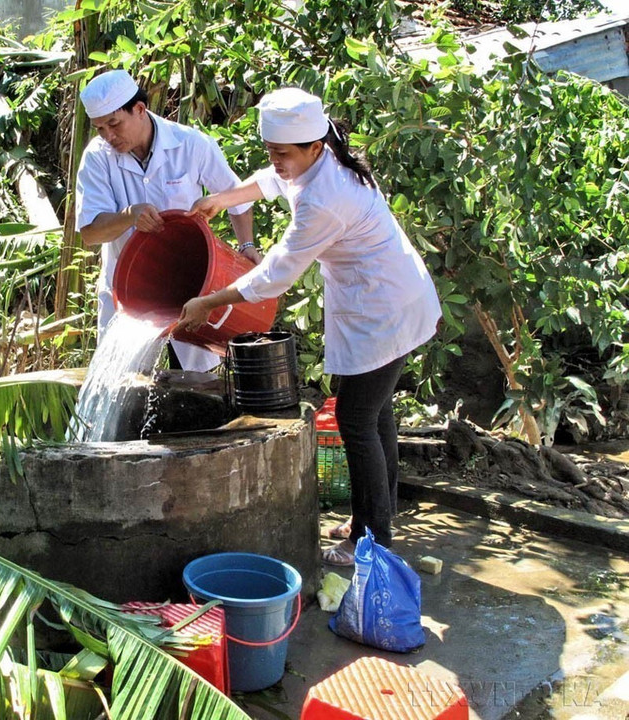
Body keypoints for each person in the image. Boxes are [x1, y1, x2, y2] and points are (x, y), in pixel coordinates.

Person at [174, 87, 441, 565]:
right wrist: (221, 199)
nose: (275, 161)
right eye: (270, 151)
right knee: (374, 414)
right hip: (387, 300)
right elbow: (271, 180)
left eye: (282, 153)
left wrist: (209, 301)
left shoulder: (326, 197)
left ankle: (373, 540)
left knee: (356, 419)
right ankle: (373, 519)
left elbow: (278, 271)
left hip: (386, 309)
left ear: (313, 147)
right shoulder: (320, 157)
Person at [75, 69, 259, 371]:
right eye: (99, 129)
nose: (109, 136)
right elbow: (90, 233)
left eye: (114, 124)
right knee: (120, 380)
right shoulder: (97, 158)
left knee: (200, 384)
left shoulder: (191, 144)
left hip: (193, 285)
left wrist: (247, 244)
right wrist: (128, 216)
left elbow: (236, 197)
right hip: (129, 289)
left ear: (139, 110)